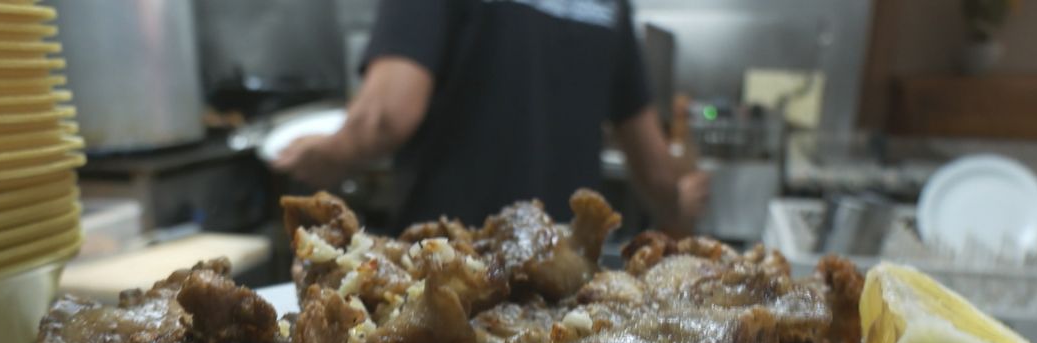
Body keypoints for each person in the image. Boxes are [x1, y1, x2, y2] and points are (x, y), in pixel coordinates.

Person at [272, 0, 709, 234]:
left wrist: (329, 155)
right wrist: (678, 201)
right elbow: (654, 168)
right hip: (565, 275)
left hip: (452, 274)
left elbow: (388, 115)